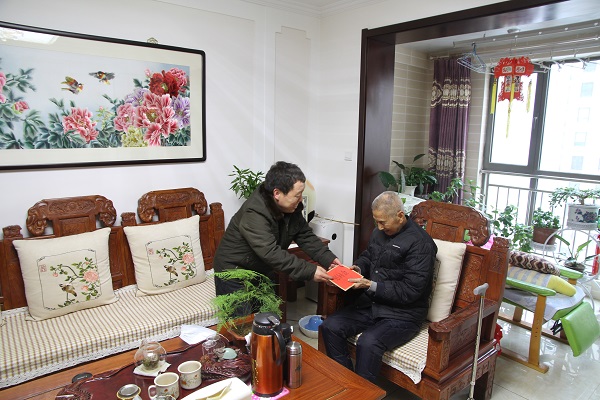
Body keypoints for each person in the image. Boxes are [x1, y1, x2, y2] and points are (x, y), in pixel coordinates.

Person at [321, 191, 437, 383]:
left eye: (383, 222)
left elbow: (412, 290)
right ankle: (346, 383)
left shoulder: (421, 244)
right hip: (372, 305)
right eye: (376, 222)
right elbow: (369, 256)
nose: (379, 227)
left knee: (368, 342)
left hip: (403, 314)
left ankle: (363, 393)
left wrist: (371, 285)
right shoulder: (379, 233)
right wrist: (358, 268)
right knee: (330, 326)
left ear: (400, 215)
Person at [213, 161, 340, 315]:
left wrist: (329, 259)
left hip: (260, 269)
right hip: (233, 271)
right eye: (297, 195)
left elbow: (305, 235)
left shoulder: (290, 207)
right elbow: (271, 252)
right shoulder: (255, 213)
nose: (301, 199)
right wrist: (310, 271)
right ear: (277, 193)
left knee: (269, 317)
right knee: (242, 324)